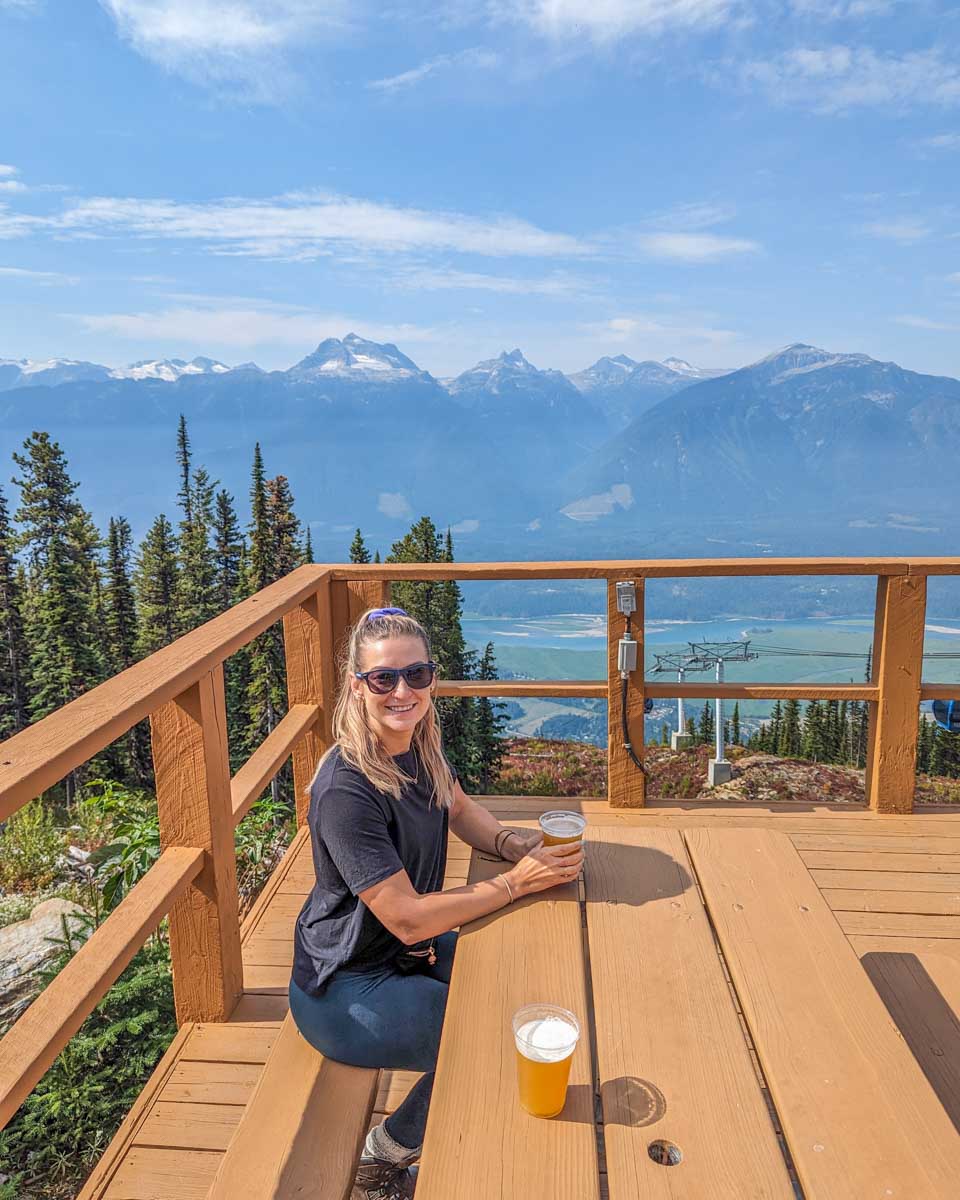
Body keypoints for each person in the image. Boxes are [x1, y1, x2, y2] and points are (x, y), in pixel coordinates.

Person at [289, 606, 585, 1200]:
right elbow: (403, 916)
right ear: (357, 686)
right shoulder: (346, 788)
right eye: (384, 679)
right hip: (347, 986)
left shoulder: (419, 741)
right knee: (490, 1036)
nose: (403, 691)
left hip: (405, 953)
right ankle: (387, 1155)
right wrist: (513, 882)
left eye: (416, 675)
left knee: (519, 986)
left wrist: (508, 841)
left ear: (431, 679)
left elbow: (459, 807)